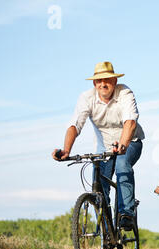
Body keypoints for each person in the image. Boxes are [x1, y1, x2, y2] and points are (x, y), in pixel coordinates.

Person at [52, 61, 145, 231]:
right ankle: (106, 232)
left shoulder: (125, 92)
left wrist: (123, 145)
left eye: (108, 80)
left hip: (130, 143)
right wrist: (66, 150)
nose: (104, 84)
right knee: (99, 186)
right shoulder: (87, 98)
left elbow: (130, 122)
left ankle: (126, 214)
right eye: (99, 81)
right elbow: (75, 124)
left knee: (122, 164)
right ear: (94, 83)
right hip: (105, 149)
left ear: (114, 81)